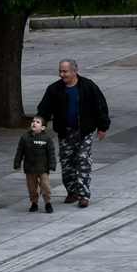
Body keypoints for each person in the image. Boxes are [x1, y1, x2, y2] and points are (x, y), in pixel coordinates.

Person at [36, 59, 110, 208]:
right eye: (60, 71)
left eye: (65, 71)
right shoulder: (54, 89)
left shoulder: (88, 86)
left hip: (84, 131)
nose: (61, 74)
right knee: (67, 162)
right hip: (65, 132)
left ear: (74, 71)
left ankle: (83, 194)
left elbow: (100, 105)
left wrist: (102, 126)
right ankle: (72, 191)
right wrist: (39, 125)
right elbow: (44, 109)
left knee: (83, 160)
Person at [15, 115, 57, 213]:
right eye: (33, 121)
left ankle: (48, 202)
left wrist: (52, 165)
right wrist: (17, 163)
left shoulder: (46, 138)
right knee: (32, 187)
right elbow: (20, 151)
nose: (34, 123)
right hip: (30, 168)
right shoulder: (25, 137)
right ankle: (34, 202)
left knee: (45, 185)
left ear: (43, 127)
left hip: (43, 168)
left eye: (38, 122)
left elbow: (51, 153)